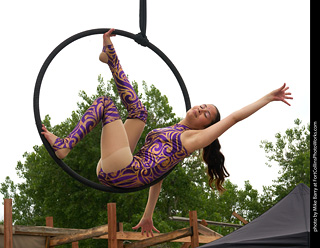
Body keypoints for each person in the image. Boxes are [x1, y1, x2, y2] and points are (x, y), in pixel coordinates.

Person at [41, 28, 293, 237]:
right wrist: (148, 213)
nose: (201, 109)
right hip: (122, 165)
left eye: (206, 114)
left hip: (123, 170)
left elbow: (235, 117)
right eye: (202, 106)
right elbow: (157, 176)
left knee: (106, 103)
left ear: (206, 127)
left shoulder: (192, 139)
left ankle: (65, 145)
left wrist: (268, 98)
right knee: (140, 113)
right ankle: (111, 57)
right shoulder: (171, 131)